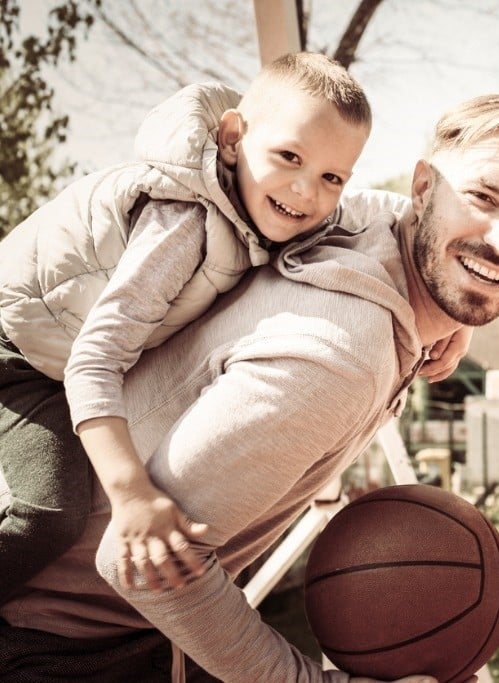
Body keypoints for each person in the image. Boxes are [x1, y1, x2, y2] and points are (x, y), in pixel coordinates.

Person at [0, 92, 499, 682]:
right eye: (483, 198)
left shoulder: (362, 234)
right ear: (425, 188)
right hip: (60, 642)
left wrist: (457, 318)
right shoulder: (337, 359)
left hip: (130, 629)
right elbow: (136, 568)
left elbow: (384, 211)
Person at [0, 51, 398, 601]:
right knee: (48, 513)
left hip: (60, 345)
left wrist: (454, 313)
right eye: (289, 157)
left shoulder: (277, 202)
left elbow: (372, 210)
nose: (307, 191)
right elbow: (92, 361)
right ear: (233, 137)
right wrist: (132, 493)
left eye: (331, 176)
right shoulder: (183, 222)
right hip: (20, 350)